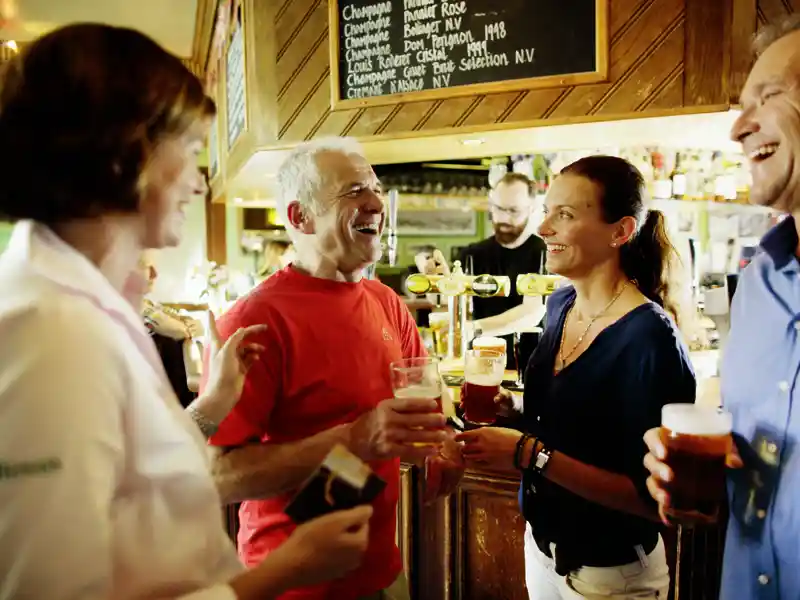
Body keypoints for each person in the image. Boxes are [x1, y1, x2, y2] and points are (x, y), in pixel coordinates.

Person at [0, 24, 375, 600]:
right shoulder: (51, 334)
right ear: (129, 154)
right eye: (194, 151)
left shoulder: (90, 304)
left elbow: (127, 474)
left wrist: (210, 406)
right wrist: (287, 568)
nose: (200, 183)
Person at [204, 136, 463, 600]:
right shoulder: (253, 322)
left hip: (383, 571)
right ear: (299, 216)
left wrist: (438, 442)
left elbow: (425, 401)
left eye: (376, 188)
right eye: (354, 191)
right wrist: (355, 438)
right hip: (290, 584)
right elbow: (216, 477)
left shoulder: (387, 302)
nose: (376, 202)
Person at [454, 156, 696, 599]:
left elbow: (652, 500)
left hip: (612, 575)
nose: (543, 228)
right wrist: (518, 411)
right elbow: (578, 422)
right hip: (544, 554)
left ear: (620, 232)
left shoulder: (649, 338)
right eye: (546, 211)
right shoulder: (560, 306)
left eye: (563, 215)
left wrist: (530, 453)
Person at [644, 15, 800, 600]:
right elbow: (759, 480)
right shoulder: (759, 286)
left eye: (771, 95)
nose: (738, 126)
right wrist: (704, 488)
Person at [416, 172, 547, 371]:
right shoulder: (472, 254)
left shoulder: (543, 253)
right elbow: (445, 303)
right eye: (498, 209)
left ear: (531, 209)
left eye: (513, 211)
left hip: (528, 368)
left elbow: (532, 312)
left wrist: (474, 329)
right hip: (477, 365)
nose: (503, 218)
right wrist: (436, 283)